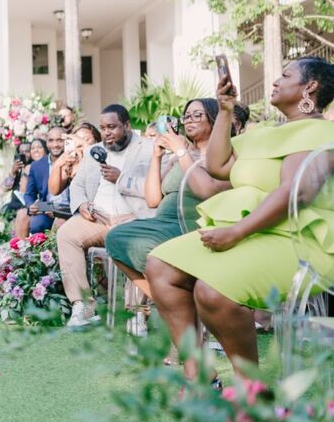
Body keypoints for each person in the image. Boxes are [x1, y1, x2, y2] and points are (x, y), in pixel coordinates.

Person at [146, 58, 334, 381]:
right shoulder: (265, 133)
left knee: (212, 290)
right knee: (159, 265)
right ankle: (199, 376)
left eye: (285, 75)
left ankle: (251, 388)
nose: (275, 81)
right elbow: (218, 166)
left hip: (300, 238)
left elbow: (296, 193)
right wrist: (225, 110)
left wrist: (236, 232)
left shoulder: (321, 131)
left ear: (310, 86)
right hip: (255, 232)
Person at [105, 99, 234, 336]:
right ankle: (174, 304)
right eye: (187, 116)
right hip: (162, 222)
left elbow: (206, 191)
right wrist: (157, 156)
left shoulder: (223, 155)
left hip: (191, 224)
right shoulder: (179, 155)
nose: (189, 120)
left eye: (197, 115)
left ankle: (180, 308)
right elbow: (153, 199)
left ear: (214, 119)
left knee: (152, 251)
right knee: (115, 238)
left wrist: (182, 151)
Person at [59, 104, 154, 327]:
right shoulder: (95, 151)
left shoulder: (148, 149)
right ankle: (83, 306)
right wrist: (82, 204)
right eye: (103, 128)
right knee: (66, 235)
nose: (107, 133)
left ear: (127, 126)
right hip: (98, 217)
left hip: (132, 218)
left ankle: (137, 312)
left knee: (134, 244)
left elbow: (155, 188)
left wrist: (121, 178)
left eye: (112, 127)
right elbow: (77, 185)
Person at [15, 128, 67, 237]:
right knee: (30, 219)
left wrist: (60, 211)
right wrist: (31, 206)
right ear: (46, 142)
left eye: (60, 140)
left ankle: (53, 248)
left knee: (60, 223)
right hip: (47, 206)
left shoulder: (73, 160)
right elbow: (29, 194)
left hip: (67, 207)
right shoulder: (36, 166)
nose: (55, 145)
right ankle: (21, 247)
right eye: (51, 140)